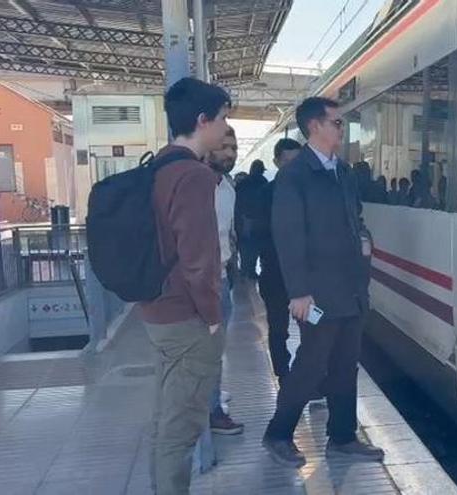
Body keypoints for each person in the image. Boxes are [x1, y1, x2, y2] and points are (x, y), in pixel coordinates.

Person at [262, 97, 383, 467]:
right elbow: (288, 237)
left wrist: (363, 238)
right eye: (338, 123)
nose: (342, 129)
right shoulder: (294, 177)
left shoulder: (342, 173)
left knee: (347, 364)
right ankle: (278, 434)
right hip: (316, 294)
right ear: (315, 126)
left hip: (350, 288)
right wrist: (298, 291)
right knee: (311, 365)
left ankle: (342, 437)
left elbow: (355, 216)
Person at [139, 77, 230, 495]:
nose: (223, 129)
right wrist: (212, 317)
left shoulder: (158, 165)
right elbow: (199, 259)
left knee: (164, 421)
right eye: (222, 119)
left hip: (157, 310)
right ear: (201, 120)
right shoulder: (194, 176)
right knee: (182, 429)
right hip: (186, 318)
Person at [205, 126, 244, 436]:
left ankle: (212, 398)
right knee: (206, 352)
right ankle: (212, 412)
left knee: (216, 351)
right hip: (203, 284)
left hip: (222, 278)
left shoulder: (227, 187)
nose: (230, 154)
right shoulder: (198, 185)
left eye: (233, 148)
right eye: (223, 147)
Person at [256, 137, 302, 384]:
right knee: (279, 328)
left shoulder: (311, 193)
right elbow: (261, 233)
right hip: (275, 275)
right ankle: (283, 374)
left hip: (306, 278)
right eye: (287, 162)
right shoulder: (265, 195)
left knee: (314, 327)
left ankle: (307, 375)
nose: (293, 167)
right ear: (276, 162)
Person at [235, 160, 268, 278]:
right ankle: (252, 274)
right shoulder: (264, 183)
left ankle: (246, 275)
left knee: (245, 252)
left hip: (244, 222)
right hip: (261, 223)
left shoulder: (242, 184)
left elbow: (237, 203)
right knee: (259, 252)